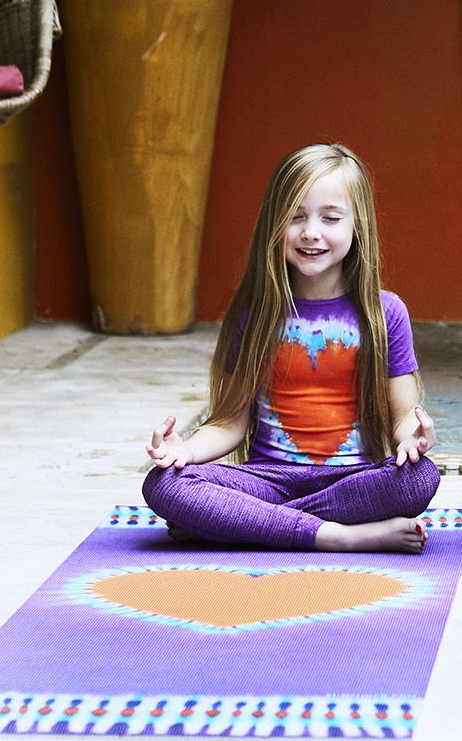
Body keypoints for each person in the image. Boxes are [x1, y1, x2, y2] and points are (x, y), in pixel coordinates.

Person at [143, 143, 440, 553]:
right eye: (295, 217)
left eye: (330, 218)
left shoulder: (385, 312)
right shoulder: (255, 313)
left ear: (358, 227)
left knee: (420, 478)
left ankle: (247, 524)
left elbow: (402, 416)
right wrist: (185, 450)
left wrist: (414, 439)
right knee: (164, 484)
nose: (311, 232)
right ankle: (338, 536)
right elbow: (230, 422)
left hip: (351, 483)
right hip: (266, 479)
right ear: (274, 224)